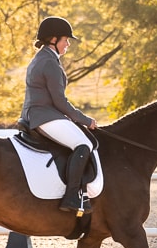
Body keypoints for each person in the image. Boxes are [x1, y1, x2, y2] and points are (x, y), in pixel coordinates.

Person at [20, 16, 98, 215]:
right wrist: (85, 120)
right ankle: (72, 196)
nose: (68, 44)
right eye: (65, 39)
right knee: (84, 145)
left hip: (39, 113)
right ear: (53, 39)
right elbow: (60, 102)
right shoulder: (49, 63)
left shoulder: (43, 58)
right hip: (44, 116)